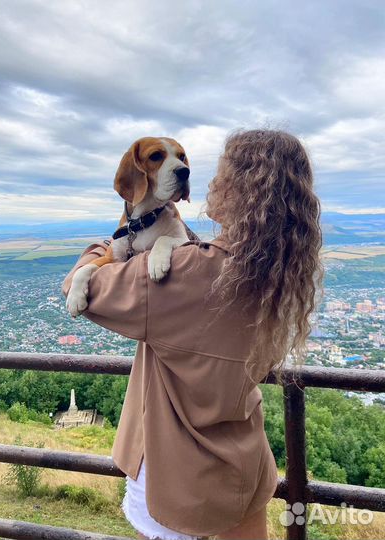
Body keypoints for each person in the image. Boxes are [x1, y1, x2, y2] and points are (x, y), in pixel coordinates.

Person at [62, 129, 323, 540]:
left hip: (178, 471)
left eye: (220, 173)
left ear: (240, 190)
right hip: (245, 457)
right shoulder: (271, 277)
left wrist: (103, 246)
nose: (198, 177)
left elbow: (81, 289)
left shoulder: (187, 274)